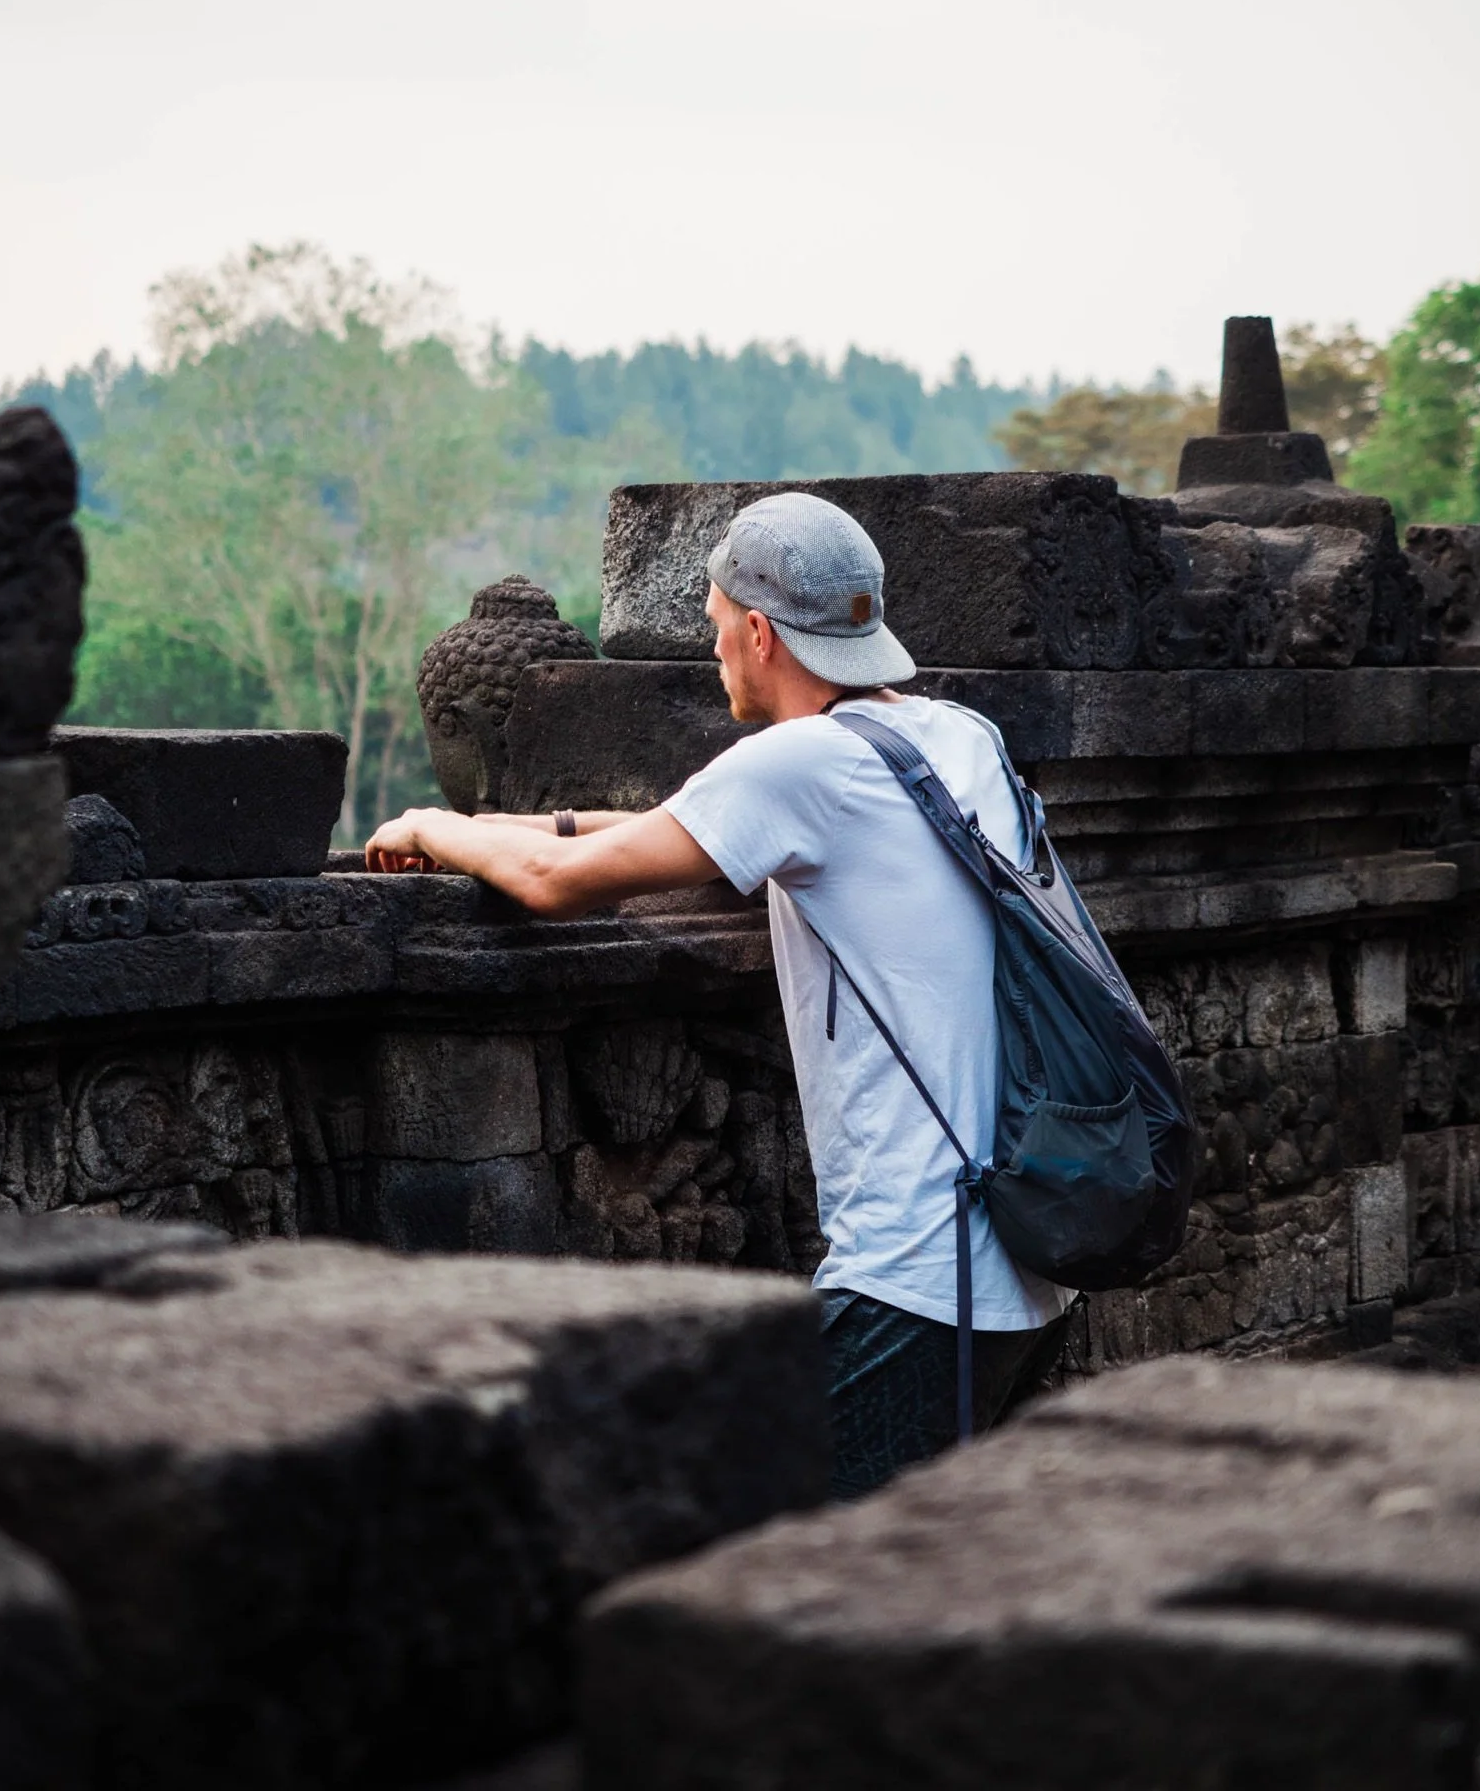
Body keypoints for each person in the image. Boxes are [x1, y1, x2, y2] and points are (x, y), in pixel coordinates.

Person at [367, 492, 1074, 1497]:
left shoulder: (797, 765)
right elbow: (645, 835)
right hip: (1033, 1257)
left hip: (918, 1279)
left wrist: (437, 826)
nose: (714, 653)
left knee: (768, 1566)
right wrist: (518, 819)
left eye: (712, 626)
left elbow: (559, 884)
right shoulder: (955, 737)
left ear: (758, 630)